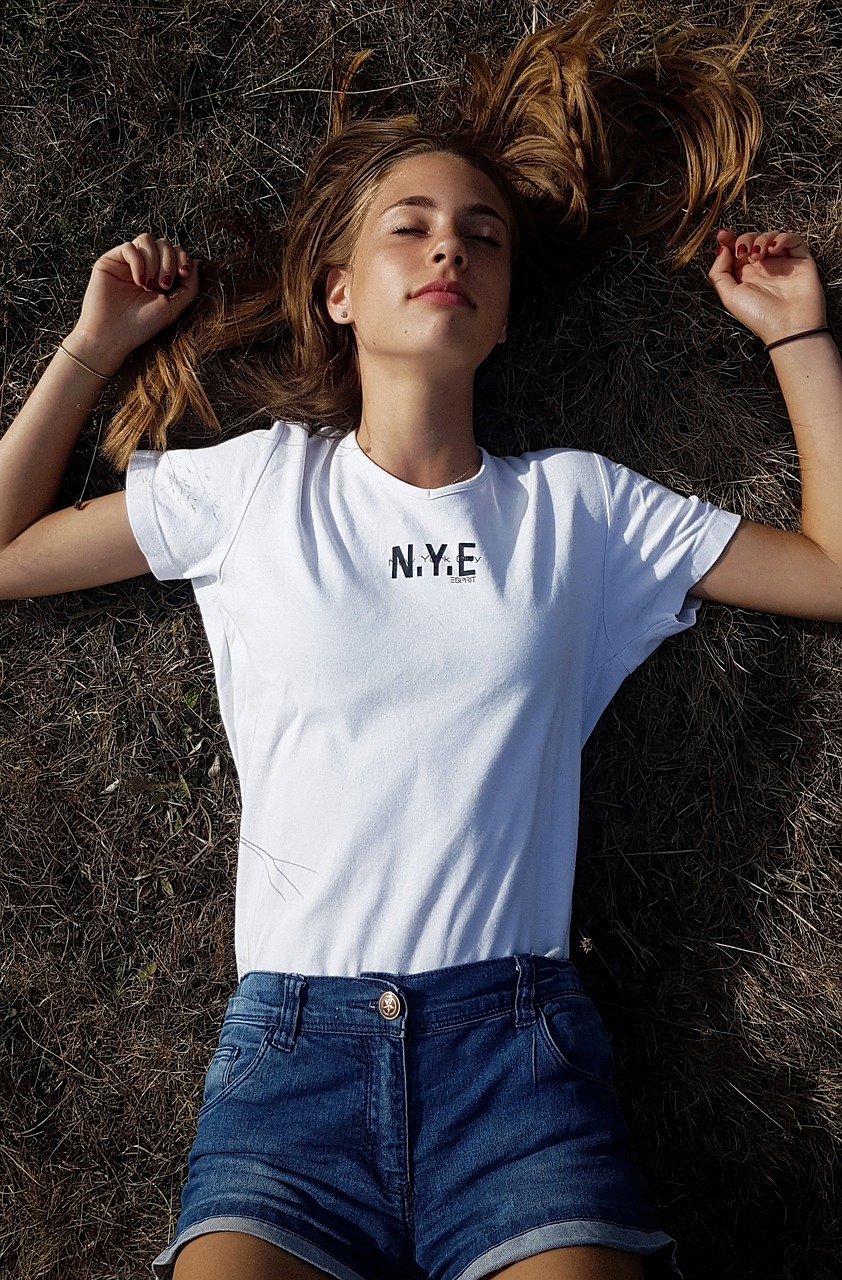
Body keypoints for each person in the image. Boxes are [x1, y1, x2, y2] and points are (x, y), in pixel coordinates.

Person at [0, 4, 839, 1279]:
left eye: (481, 235)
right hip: (291, 1067)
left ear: (500, 316)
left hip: (518, 1063)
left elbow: (829, 572)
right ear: (339, 292)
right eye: (410, 225)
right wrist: (90, 346)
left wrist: (796, 335)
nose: (449, 245)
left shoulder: (580, 511)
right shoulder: (252, 486)